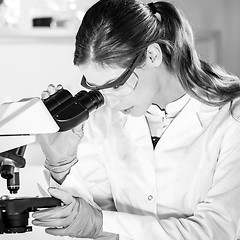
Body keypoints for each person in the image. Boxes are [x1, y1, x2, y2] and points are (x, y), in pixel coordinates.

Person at [32, 0, 240, 239]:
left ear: (152, 56)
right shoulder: (105, 117)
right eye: (98, 89)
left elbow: (217, 231)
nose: (109, 101)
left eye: (116, 85)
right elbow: (93, 215)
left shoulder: (231, 118)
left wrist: (99, 223)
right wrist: (62, 166)